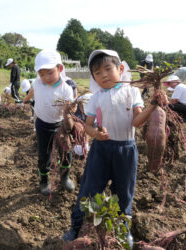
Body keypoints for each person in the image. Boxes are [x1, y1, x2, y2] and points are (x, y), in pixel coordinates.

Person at [63, 50, 162, 248]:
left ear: (121, 69)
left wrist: (152, 106)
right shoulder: (95, 97)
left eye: (108, 69)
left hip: (125, 149)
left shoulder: (132, 92)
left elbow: (136, 122)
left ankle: (123, 229)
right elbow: (88, 125)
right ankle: (76, 226)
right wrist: (96, 134)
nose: (104, 75)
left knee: (124, 192)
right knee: (89, 189)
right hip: (101, 150)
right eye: (97, 73)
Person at [23, 49, 74, 196]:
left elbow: (66, 111)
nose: (45, 77)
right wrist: (26, 99)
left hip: (59, 125)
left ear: (60, 68)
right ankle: (44, 180)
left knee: (66, 152)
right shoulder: (38, 83)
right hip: (42, 125)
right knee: (44, 155)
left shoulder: (66, 89)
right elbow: (32, 91)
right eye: (41, 73)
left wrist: (69, 124)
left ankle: (65, 177)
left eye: (50, 72)